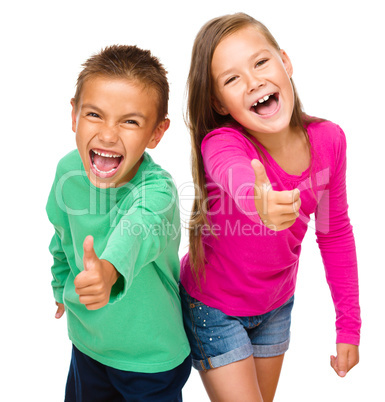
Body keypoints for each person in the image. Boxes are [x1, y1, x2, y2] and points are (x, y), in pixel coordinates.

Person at [179, 12, 360, 402]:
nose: (254, 81)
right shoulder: (223, 143)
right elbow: (233, 174)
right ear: (218, 102)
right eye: (232, 79)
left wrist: (349, 326)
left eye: (260, 62)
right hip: (214, 306)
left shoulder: (330, 140)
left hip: (276, 305)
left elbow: (335, 233)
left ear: (285, 61)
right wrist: (257, 202)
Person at [46, 45, 191, 402]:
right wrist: (61, 284)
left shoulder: (158, 192)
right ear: (75, 115)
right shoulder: (68, 172)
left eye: (130, 121)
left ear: (156, 133)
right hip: (88, 344)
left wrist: (107, 273)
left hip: (151, 359)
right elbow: (61, 235)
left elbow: (136, 231)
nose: (109, 135)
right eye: (95, 114)